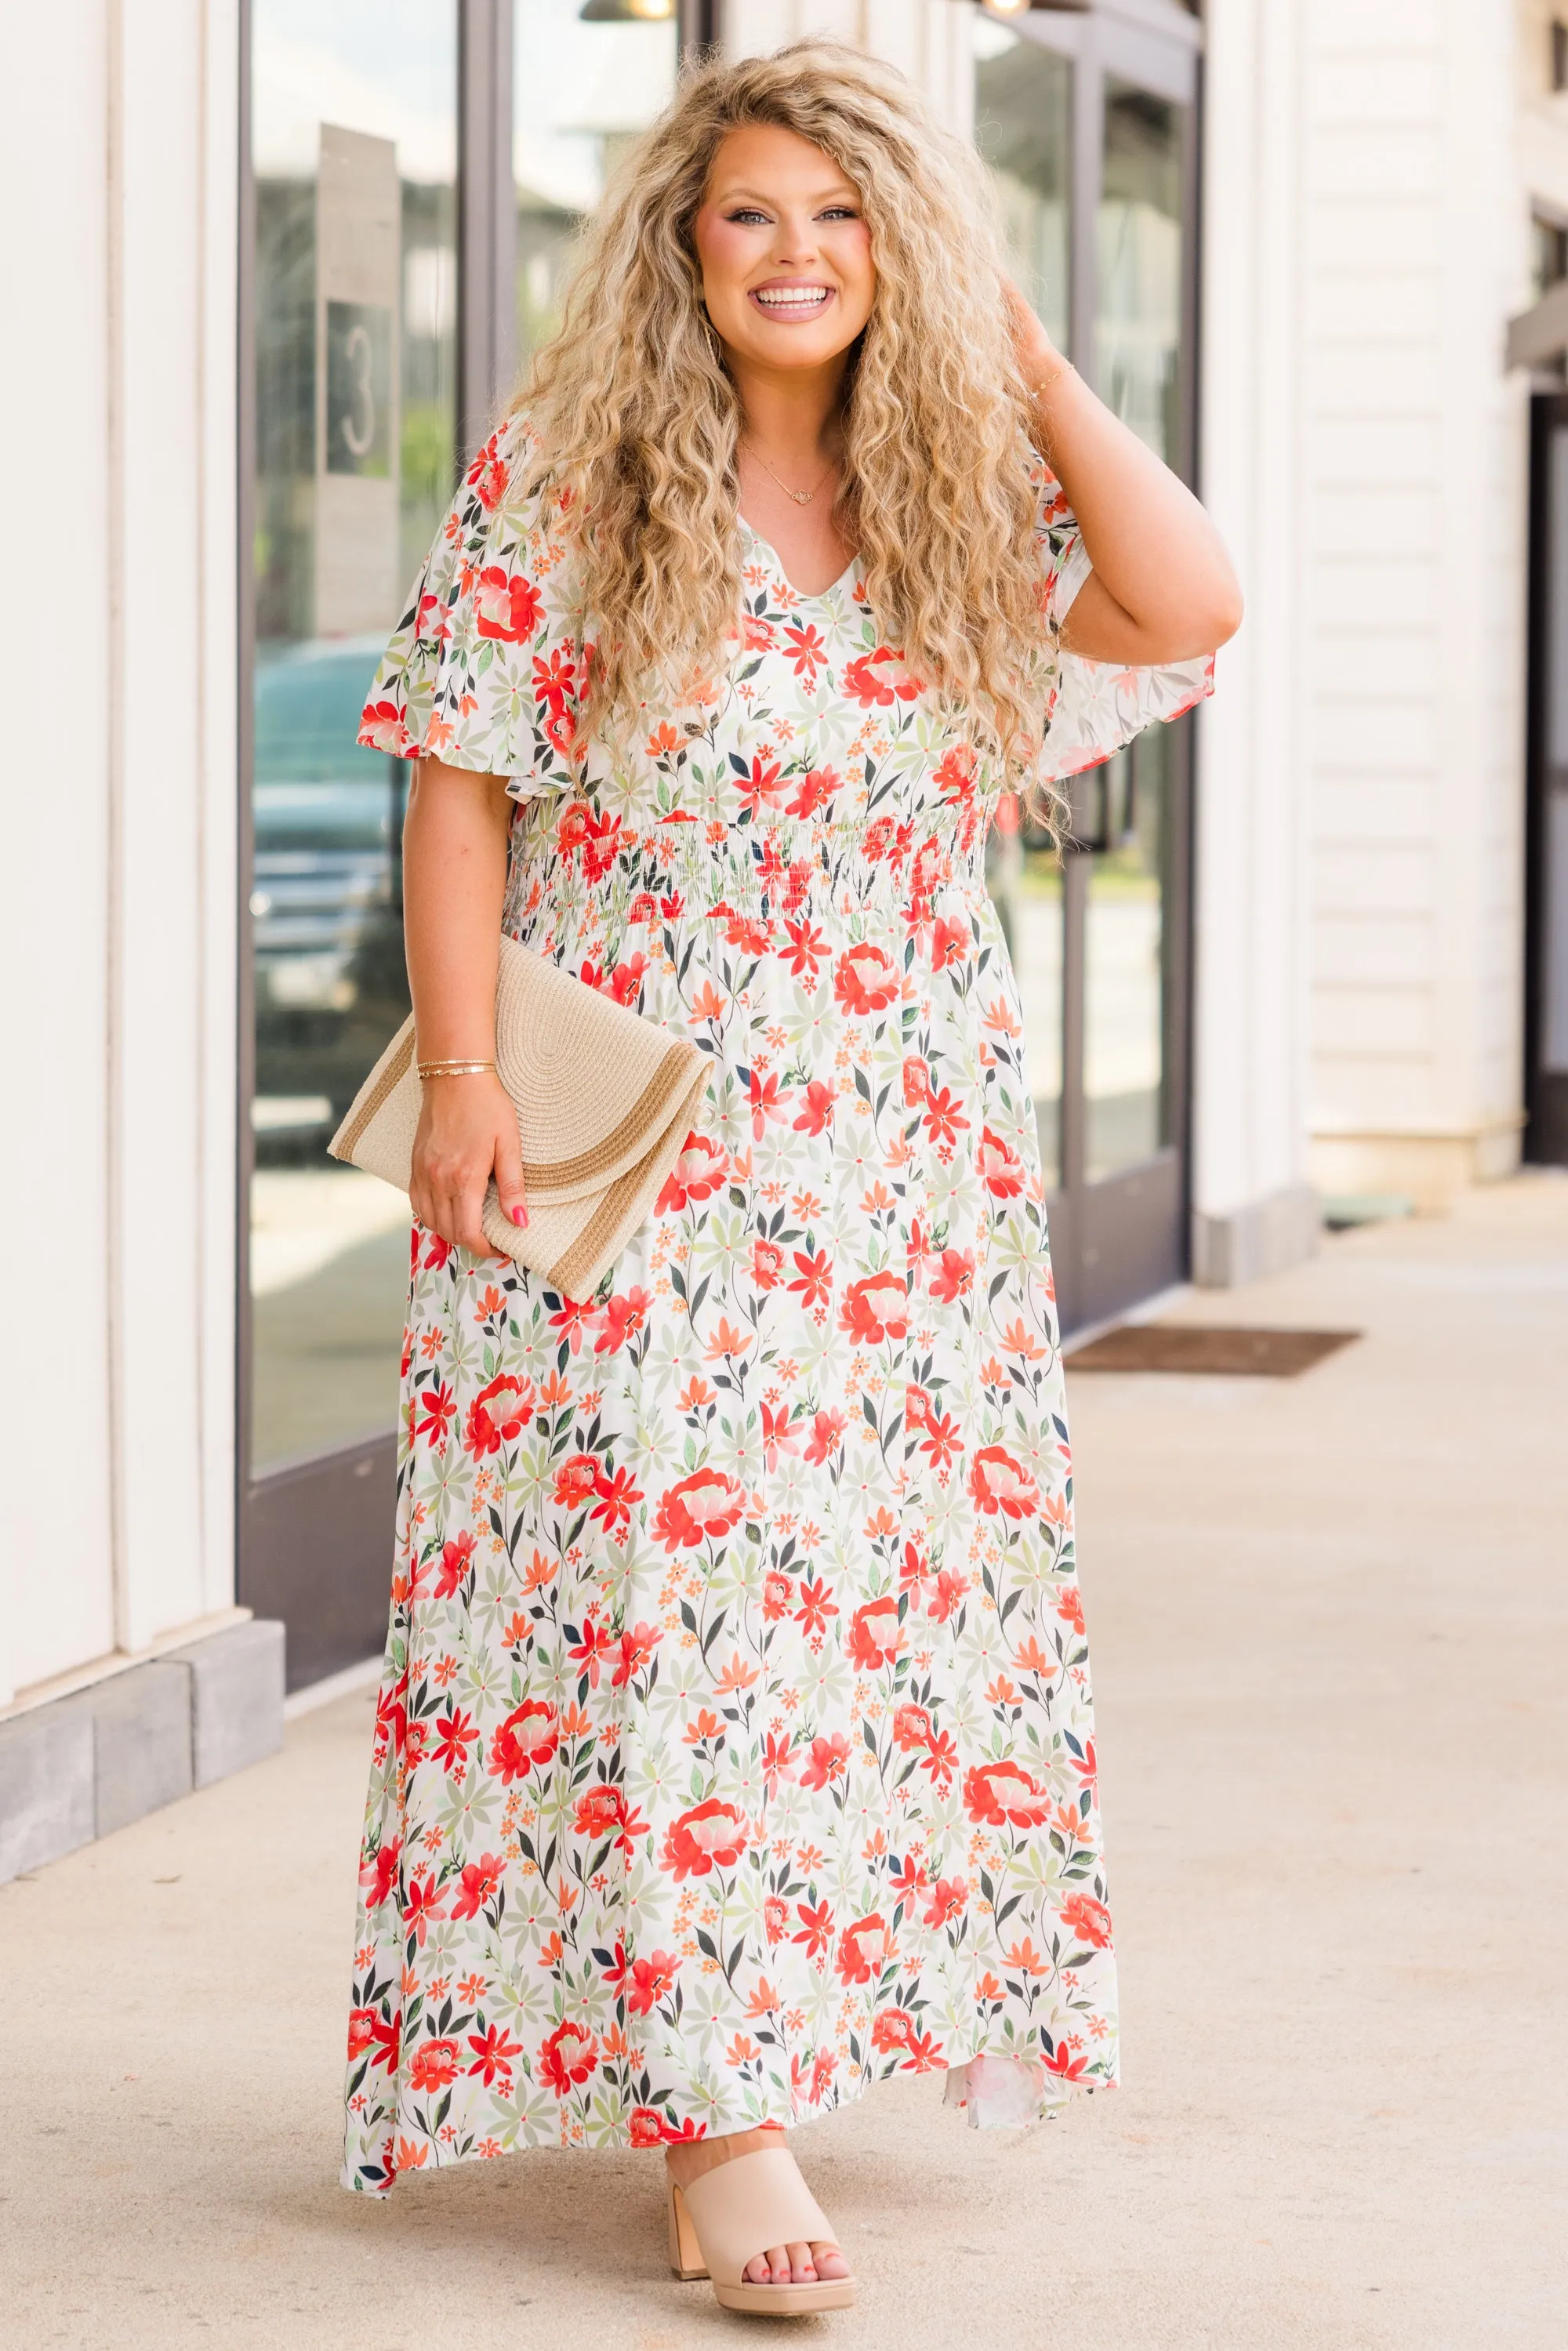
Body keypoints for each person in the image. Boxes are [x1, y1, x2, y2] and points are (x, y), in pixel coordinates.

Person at [343, 38, 1240, 2318]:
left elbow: (1190, 596)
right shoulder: (567, 477)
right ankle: (716, 2110)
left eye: (844, 219)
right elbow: (462, 784)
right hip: (631, 1114)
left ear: (899, 251)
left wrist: (1018, 350)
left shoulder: (958, 490)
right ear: (683, 238)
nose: (796, 256)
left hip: (898, 1152)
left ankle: (780, 2029)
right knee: (652, 1597)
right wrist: (466, 1076)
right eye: (751, 213)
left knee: (847, 1607)